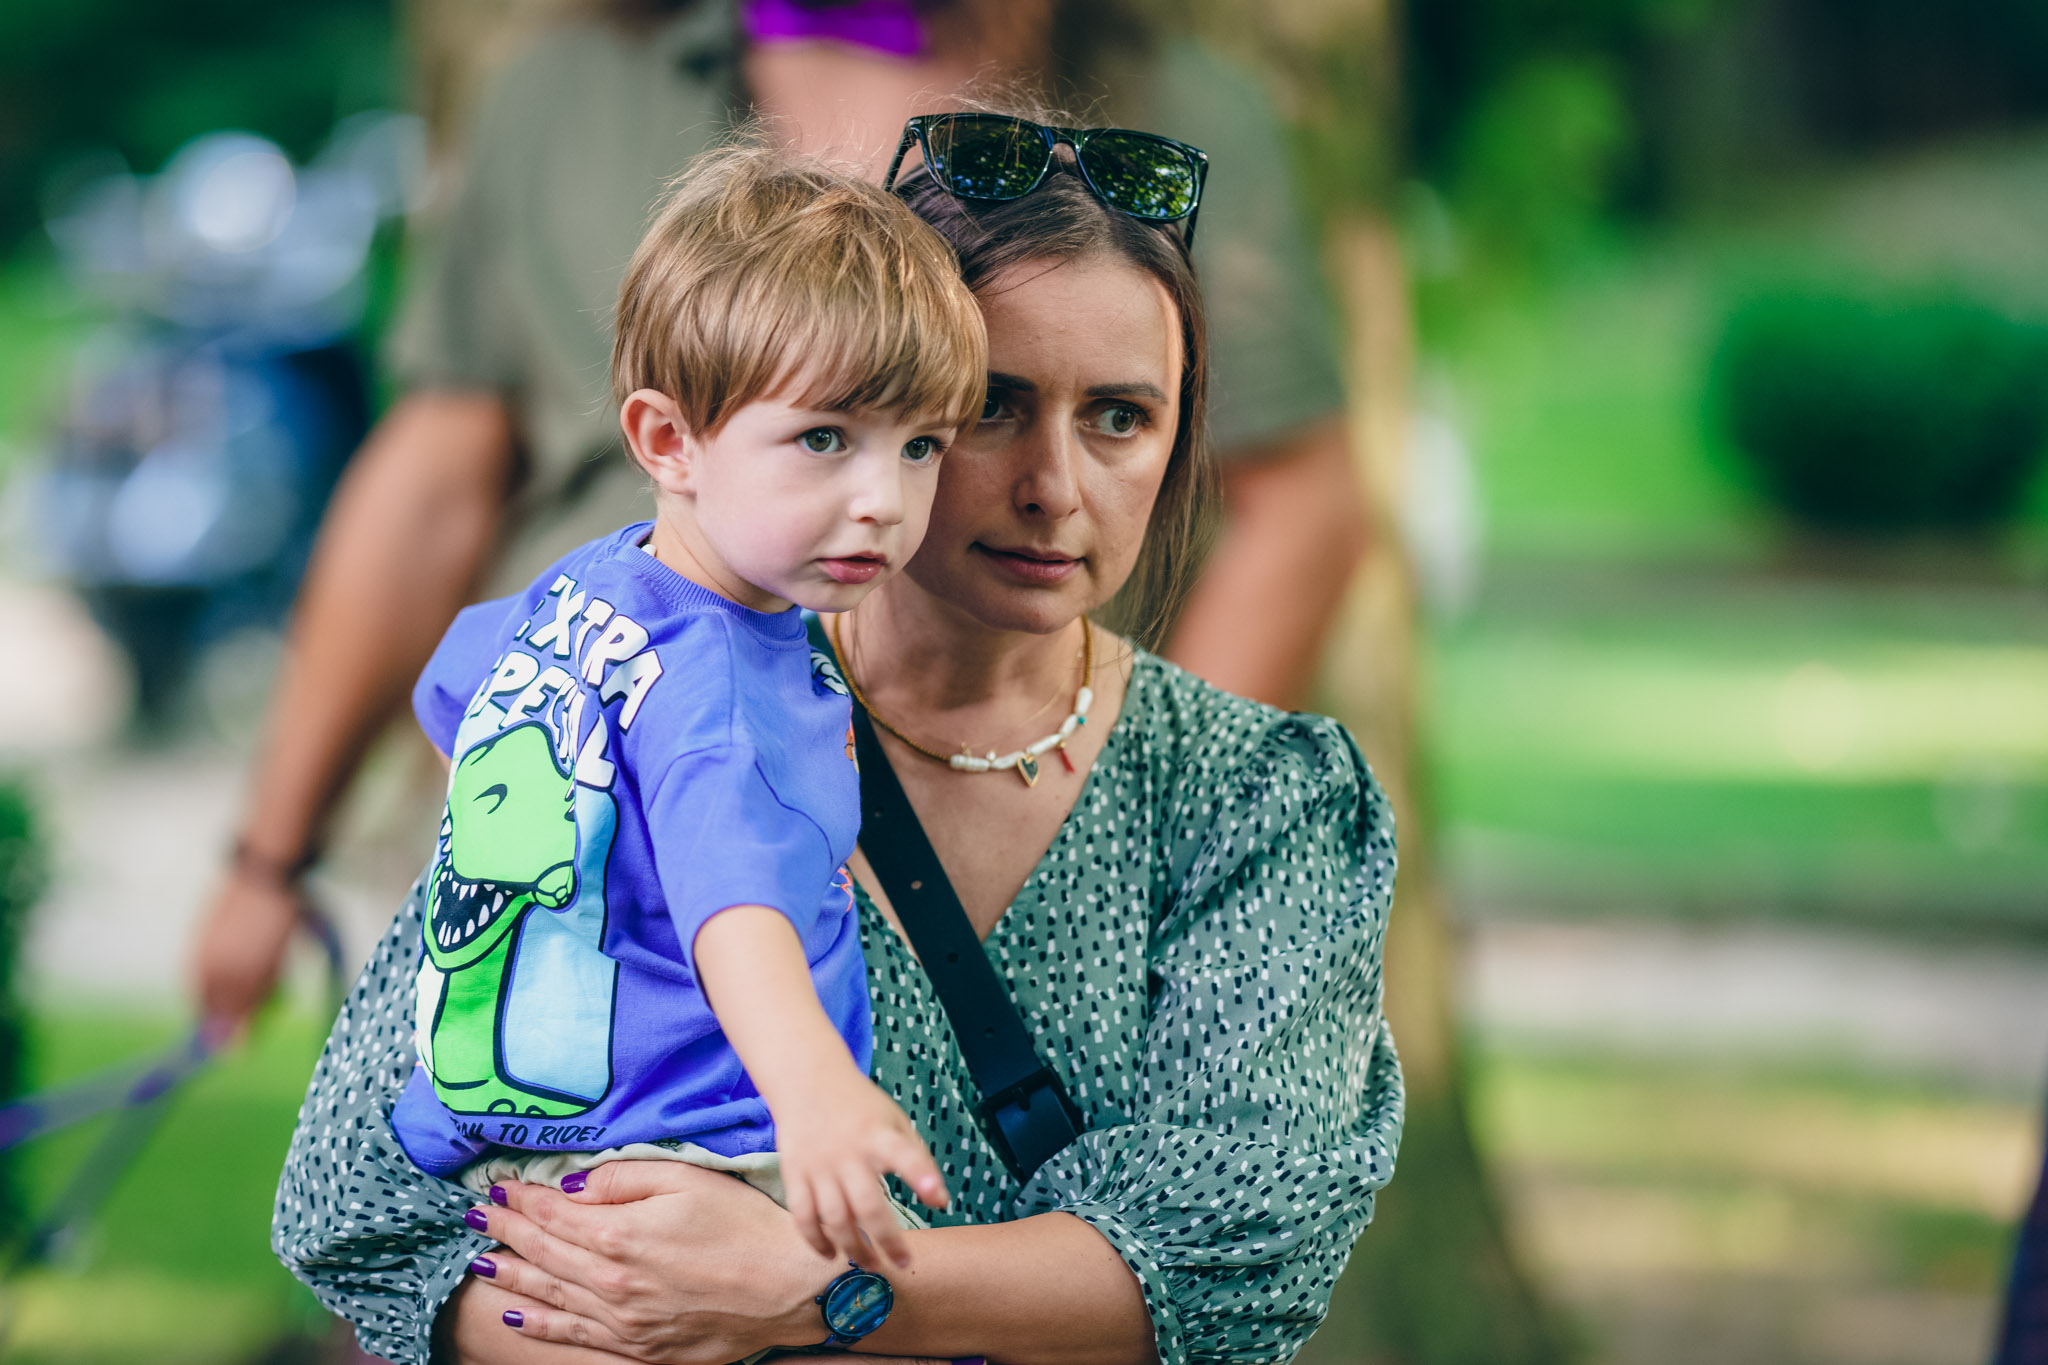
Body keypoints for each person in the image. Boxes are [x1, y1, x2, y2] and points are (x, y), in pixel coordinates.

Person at [274, 112, 1402, 1365]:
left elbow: (1235, 1257)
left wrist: (815, 1292)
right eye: (990, 408)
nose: (1055, 485)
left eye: (1121, 417)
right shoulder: (633, 691)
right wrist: (637, 1317)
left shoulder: (1260, 798)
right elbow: (358, 1205)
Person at [192, 0, 1365, 1037]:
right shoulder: (563, 87)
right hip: (580, 809)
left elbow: (1301, 500)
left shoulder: (1170, 107)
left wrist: (1130, 823)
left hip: (961, 814)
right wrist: (268, 856)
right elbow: (435, 478)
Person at [390, 145, 986, 1269]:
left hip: (514, 1129)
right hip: (708, 1154)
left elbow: (454, 688)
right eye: (824, 439)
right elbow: (733, 903)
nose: (882, 500)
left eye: (921, 447)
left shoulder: (585, 587)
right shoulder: (721, 687)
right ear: (669, 441)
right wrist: (813, 1092)